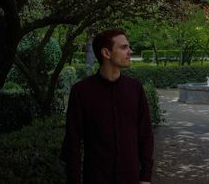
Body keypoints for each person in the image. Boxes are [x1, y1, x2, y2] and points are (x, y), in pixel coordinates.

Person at [61, 29, 154, 184]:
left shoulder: (135, 88)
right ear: (106, 53)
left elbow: (145, 134)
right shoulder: (81, 91)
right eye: (124, 47)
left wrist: (145, 176)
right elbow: (72, 141)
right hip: (96, 177)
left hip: (131, 177)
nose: (130, 52)